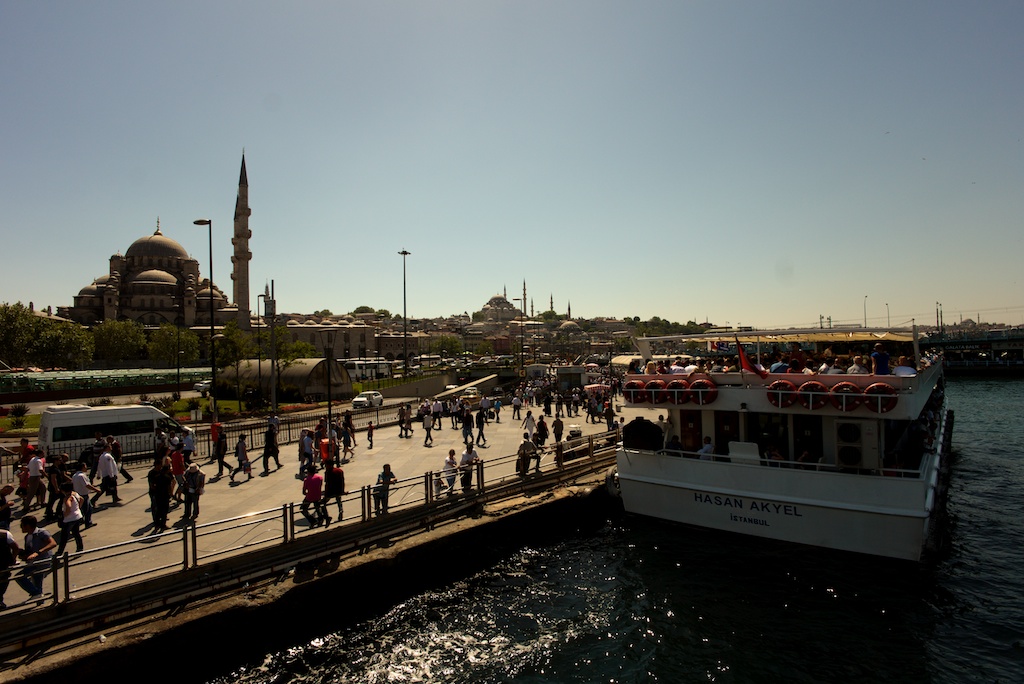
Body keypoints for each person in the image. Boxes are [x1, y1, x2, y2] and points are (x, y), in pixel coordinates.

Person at [16, 515, 55, 600]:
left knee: (20, 576)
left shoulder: (41, 533)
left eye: (22, 525)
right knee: (37, 585)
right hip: (33, 563)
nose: (21, 528)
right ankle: (39, 600)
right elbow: (30, 551)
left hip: (42, 562)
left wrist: (38, 553)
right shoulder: (27, 537)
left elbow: (52, 543)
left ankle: (35, 593)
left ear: (28, 526)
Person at [55, 482, 84, 556]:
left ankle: (59, 552)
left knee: (64, 537)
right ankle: (80, 548)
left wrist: (65, 514)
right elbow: (82, 499)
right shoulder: (75, 494)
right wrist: (78, 508)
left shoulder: (67, 498)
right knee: (76, 533)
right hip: (77, 516)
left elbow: (68, 506)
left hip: (69, 519)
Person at [147, 457, 174, 532]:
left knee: (161, 509)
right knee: (159, 508)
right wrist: (171, 494)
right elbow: (152, 484)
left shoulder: (158, 475)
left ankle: (159, 522)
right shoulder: (154, 474)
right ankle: (159, 522)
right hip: (159, 494)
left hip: (159, 494)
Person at [71, 462, 100, 529]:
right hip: (83, 495)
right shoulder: (81, 475)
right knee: (86, 510)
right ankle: (85, 522)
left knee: (87, 509)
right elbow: (87, 485)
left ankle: (86, 522)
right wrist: (96, 489)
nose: (86, 467)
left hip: (78, 494)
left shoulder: (75, 475)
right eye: (85, 466)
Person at [0, 526, 20, 610]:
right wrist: (13, 559)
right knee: (2, 583)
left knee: (3, 583)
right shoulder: (4, 534)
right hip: (3, 565)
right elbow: (15, 548)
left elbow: (15, 548)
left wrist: (12, 559)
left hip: (3, 565)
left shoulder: (4, 534)